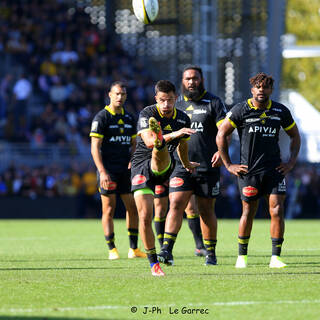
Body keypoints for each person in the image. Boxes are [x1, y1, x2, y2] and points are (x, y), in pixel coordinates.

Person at [216, 72, 301, 268]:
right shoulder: (240, 109)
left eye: (265, 87)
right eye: (258, 87)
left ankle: (275, 258)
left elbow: (295, 136)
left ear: (271, 90)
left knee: (277, 210)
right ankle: (242, 257)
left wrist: (290, 163)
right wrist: (228, 164)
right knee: (248, 211)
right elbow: (221, 134)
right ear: (252, 89)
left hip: (274, 170)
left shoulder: (280, 111)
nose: (261, 90)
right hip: (249, 172)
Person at [157, 65, 226, 266]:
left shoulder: (214, 102)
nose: (191, 82)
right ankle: (167, 250)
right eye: (187, 78)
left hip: (207, 165)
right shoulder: (174, 105)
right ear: (182, 81)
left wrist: (221, 151)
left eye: (195, 78)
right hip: (180, 165)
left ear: (201, 80)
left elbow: (224, 131)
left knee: (206, 210)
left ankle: (210, 253)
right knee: (176, 204)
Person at [131, 80, 198, 276]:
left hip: (166, 165)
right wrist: (173, 134)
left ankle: (162, 141)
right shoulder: (147, 114)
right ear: (156, 99)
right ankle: (154, 264)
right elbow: (149, 142)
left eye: (169, 100)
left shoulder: (184, 118)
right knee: (145, 216)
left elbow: (182, 146)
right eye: (162, 101)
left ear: (176, 98)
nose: (166, 105)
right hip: (141, 166)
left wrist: (186, 163)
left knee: (161, 151)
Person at [90, 81, 146, 260]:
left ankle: (133, 249)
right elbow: (94, 148)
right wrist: (102, 171)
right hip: (108, 170)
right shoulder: (102, 118)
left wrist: (133, 161)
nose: (120, 97)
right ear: (110, 95)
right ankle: (112, 248)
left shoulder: (130, 118)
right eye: (117, 94)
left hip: (126, 171)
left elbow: (134, 144)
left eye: (122, 94)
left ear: (126, 96)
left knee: (133, 207)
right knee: (108, 209)